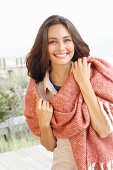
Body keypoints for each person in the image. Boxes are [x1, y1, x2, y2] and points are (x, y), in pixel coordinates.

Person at [24, 15, 113, 170]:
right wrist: (44, 124)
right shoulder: (38, 91)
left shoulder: (92, 75)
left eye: (67, 40)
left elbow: (104, 130)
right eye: (52, 41)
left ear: (74, 42)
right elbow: (50, 146)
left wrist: (84, 84)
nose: (61, 47)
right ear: (44, 46)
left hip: (97, 165)